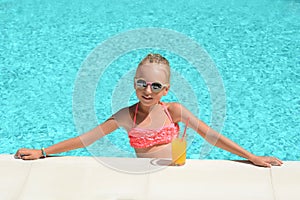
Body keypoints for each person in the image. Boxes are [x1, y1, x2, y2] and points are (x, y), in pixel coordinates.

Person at [15, 53, 283, 167]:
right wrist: (43, 152)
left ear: (166, 89)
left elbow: (211, 135)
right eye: (142, 83)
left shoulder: (174, 110)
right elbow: (85, 139)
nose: (148, 91)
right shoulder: (125, 116)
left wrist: (251, 157)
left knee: (182, 146)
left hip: (178, 170)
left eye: (156, 86)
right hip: (146, 174)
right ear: (134, 83)